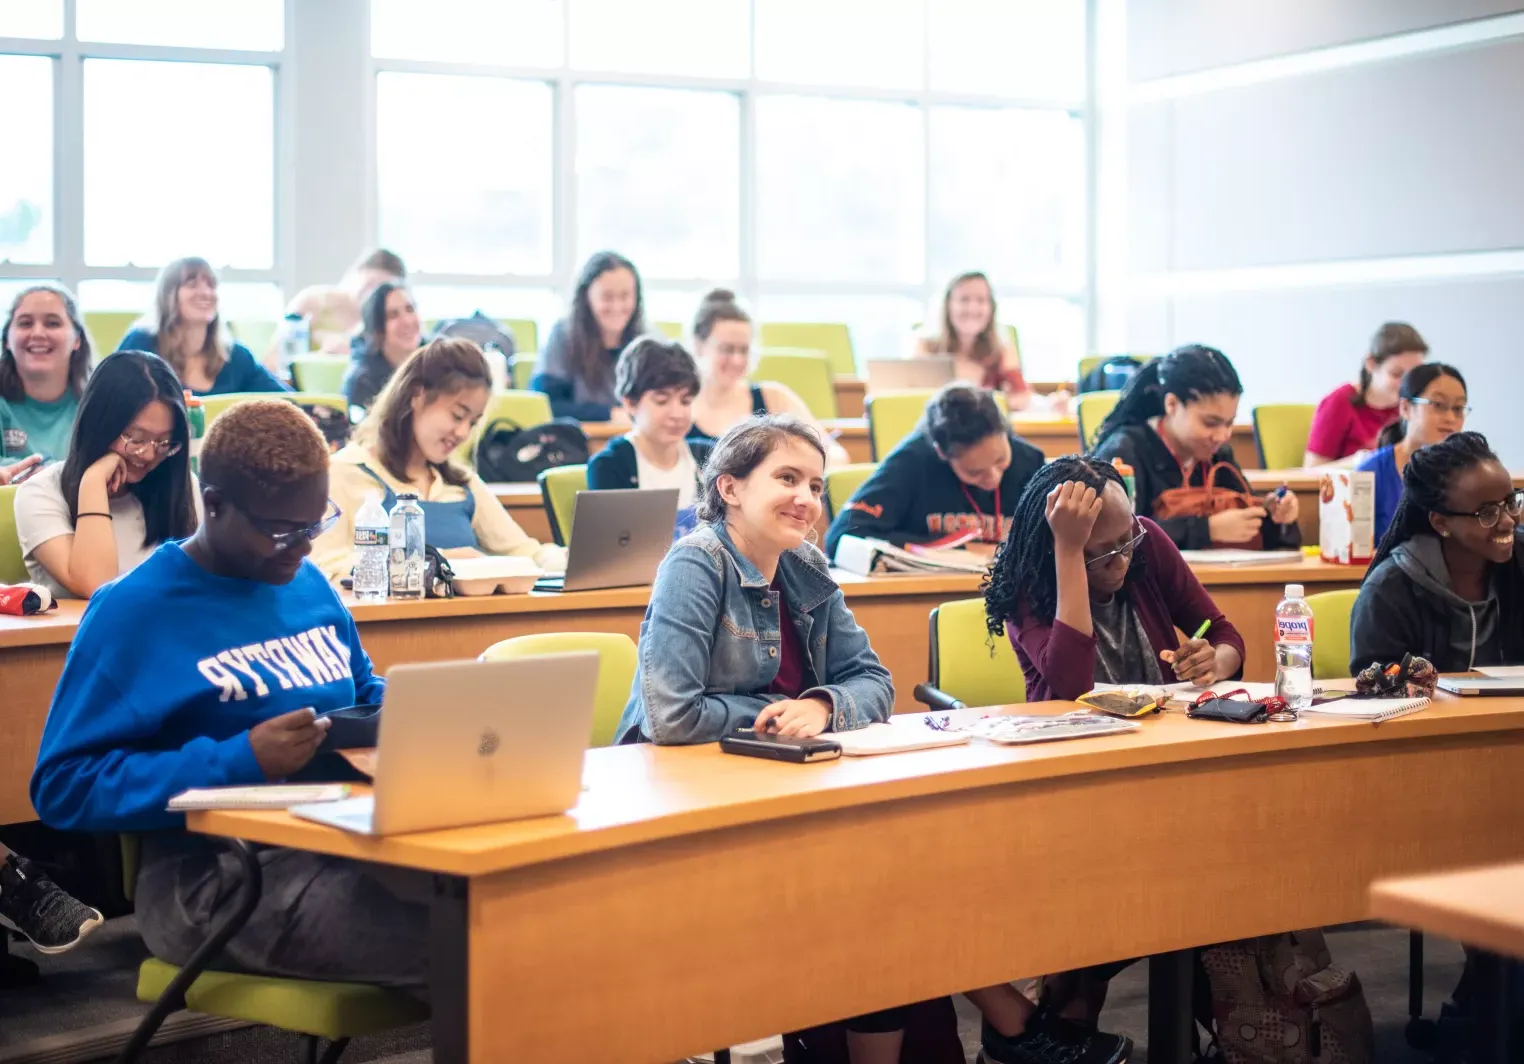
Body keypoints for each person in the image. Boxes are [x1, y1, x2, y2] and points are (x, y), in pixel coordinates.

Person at [30, 400, 429, 989]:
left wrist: (418, 708)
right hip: (214, 879)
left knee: (518, 897)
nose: (305, 548)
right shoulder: (135, 611)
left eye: (316, 523)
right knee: (468, 931)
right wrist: (237, 759)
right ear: (212, 505)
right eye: (283, 531)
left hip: (337, 839)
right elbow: (63, 786)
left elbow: (362, 689)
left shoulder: (304, 582)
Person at [979, 455, 1243, 1055]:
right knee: (1114, 896)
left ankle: (1067, 1020)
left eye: (1129, 541)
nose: (1124, 560)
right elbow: (1071, 680)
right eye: (1105, 553)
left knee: (1198, 877)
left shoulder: (1147, 545)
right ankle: (1064, 1025)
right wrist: (1069, 555)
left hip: (1166, 766)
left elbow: (1225, 634)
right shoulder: (1032, 578)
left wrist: (1216, 662)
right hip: (1075, 781)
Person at [312, 337, 564, 585]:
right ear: (417, 394)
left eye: (473, 422)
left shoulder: (461, 481)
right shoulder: (345, 472)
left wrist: (568, 559)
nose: (464, 433)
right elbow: (328, 567)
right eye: (457, 415)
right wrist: (434, 561)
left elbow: (525, 552)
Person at [14, 351, 199, 600]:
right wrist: (92, 484)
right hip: (82, 639)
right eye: (136, 438)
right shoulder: (40, 493)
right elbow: (97, 586)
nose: (147, 454)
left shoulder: (182, 486)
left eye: (164, 442)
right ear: (100, 424)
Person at [1089, 345, 1301, 552]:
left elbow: (1257, 528)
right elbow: (1117, 537)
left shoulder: (1218, 455)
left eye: (1229, 423)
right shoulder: (1125, 451)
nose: (1222, 436)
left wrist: (1279, 518)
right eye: (1210, 423)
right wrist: (1206, 530)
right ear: (1171, 404)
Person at [1350, 431, 1524, 675]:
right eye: (1487, 513)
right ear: (1441, 523)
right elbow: (1374, 687)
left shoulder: (1520, 562)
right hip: (1429, 713)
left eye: (1511, 503)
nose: (1508, 521)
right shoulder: (1388, 591)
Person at [823, 382, 1044, 560]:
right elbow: (841, 536)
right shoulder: (911, 462)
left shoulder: (1030, 461)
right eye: (974, 472)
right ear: (941, 453)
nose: (993, 478)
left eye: (1000, 460)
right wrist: (949, 548)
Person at [686, 288, 849, 465]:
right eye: (727, 349)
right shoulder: (680, 405)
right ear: (698, 345)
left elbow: (836, 455)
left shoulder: (774, 397)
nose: (737, 360)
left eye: (744, 350)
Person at [585, 337, 714, 538]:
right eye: (662, 401)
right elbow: (612, 548)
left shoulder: (708, 457)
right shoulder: (610, 465)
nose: (677, 413)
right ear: (630, 402)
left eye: (685, 401)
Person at [116, 257, 288, 395]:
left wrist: (313, 409)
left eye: (211, 285)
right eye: (192, 284)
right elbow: (106, 402)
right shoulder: (140, 345)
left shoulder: (236, 357)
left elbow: (288, 401)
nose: (206, 293)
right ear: (169, 295)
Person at [1356, 363, 1469, 544]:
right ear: (1406, 408)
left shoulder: (1470, 473)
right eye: (1438, 405)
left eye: (1458, 408)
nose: (1450, 418)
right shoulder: (1370, 472)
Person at [532, 250, 647, 422]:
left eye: (625, 296)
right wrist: (609, 414)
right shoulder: (563, 336)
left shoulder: (647, 340)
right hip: (575, 441)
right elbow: (547, 405)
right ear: (587, 297)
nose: (617, 306)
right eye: (607, 297)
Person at [913, 271, 1041, 412]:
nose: (972, 309)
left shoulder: (1002, 350)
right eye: (964, 300)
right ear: (948, 306)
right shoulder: (927, 347)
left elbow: (1023, 397)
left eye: (981, 300)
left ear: (991, 308)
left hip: (987, 431)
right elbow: (913, 399)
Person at [1304, 322, 1428, 466]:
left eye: (1413, 375)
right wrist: (1359, 462)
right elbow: (1311, 469)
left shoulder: (1418, 404)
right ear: (1371, 364)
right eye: (1396, 374)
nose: (1405, 384)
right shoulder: (1340, 402)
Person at [0, 283, 92, 463]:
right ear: (7, 341)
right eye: (25, 323)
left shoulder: (98, 404)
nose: (38, 333)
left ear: (77, 340)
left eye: (52, 323)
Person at [280, 247, 406, 356]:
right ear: (355, 273)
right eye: (370, 284)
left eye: (382, 292)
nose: (372, 296)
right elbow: (276, 363)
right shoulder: (310, 301)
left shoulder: (390, 323)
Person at [341, 281, 423, 414]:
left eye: (410, 309)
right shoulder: (362, 381)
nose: (407, 321)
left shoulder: (438, 361)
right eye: (393, 315)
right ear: (377, 329)